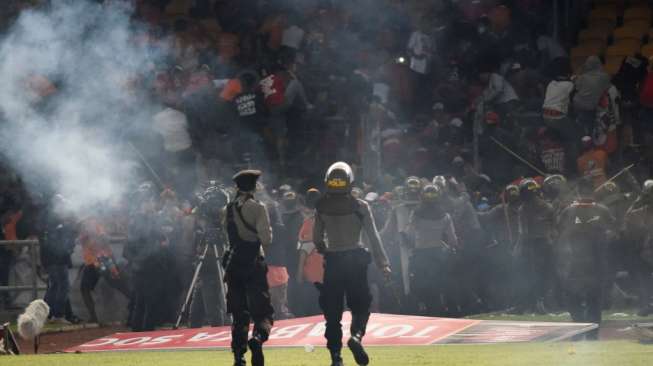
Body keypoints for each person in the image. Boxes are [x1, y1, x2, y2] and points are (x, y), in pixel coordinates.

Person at [313, 162, 391, 366]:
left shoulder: (321, 206)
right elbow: (373, 237)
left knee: (332, 312)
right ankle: (355, 337)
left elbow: (317, 239)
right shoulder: (361, 206)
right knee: (361, 306)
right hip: (356, 260)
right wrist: (383, 264)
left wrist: (325, 248)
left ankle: (336, 357)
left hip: (333, 262)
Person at [223, 170, 274, 366]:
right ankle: (258, 338)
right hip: (254, 262)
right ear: (253, 187)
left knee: (239, 313)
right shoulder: (258, 208)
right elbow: (266, 239)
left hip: (234, 264)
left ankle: (238, 356)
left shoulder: (227, 209)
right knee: (262, 311)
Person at [555, 178, 614, 340]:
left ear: (578, 191)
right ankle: (592, 334)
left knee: (573, 298)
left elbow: (558, 232)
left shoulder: (568, 211)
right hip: (597, 263)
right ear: (593, 190)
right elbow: (614, 233)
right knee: (594, 300)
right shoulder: (603, 210)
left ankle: (579, 327)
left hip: (575, 263)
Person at [405, 184, 458, 315]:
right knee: (443, 284)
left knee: (416, 283)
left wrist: (412, 246)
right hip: (438, 255)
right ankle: (446, 307)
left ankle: (421, 307)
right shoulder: (445, 216)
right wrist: (448, 248)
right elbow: (453, 240)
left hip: (421, 255)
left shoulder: (416, 214)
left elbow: (409, 234)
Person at [188, 185, 230, 328]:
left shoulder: (226, 221)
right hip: (203, 266)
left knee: (212, 303)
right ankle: (193, 330)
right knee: (197, 306)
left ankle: (219, 332)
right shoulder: (204, 224)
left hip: (213, 266)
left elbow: (226, 244)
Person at [514, 178, 555, 314]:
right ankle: (535, 301)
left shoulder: (547, 207)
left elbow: (554, 228)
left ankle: (541, 301)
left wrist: (518, 248)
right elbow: (523, 231)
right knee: (533, 275)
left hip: (542, 244)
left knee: (542, 274)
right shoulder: (523, 209)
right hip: (532, 245)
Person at [41, 195, 77, 323]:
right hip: (57, 260)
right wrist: (67, 249)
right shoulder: (57, 222)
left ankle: (45, 314)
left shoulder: (49, 220)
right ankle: (57, 315)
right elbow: (60, 243)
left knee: (55, 286)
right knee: (62, 286)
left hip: (53, 260)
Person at [624, 180, 653, 316]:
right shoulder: (641, 211)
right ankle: (646, 304)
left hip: (647, 251)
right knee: (644, 280)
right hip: (645, 252)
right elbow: (628, 218)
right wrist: (639, 200)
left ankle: (647, 304)